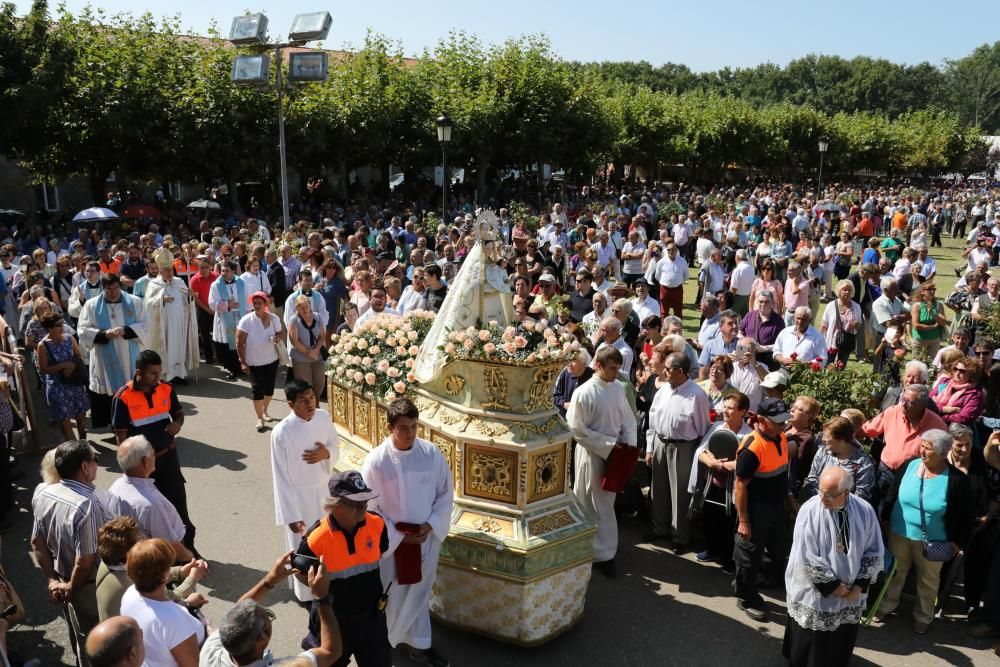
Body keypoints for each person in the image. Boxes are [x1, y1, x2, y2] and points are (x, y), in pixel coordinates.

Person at [362, 398, 453, 667]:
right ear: (390, 427)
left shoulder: (431, 454)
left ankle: (421, 644)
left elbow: (445, 494)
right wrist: (399, 536)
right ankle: (387, 642)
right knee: (393, 594)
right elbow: (370, 508)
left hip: (425, 538)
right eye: (403, 428)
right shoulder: (376, 462)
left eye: (414, 426)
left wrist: (432, 524)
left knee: (420, 592)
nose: (410, 433)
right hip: (393, 543)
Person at [295, 471, 400, 667]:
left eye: (365, 501)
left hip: (371, 619)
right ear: (335, 506)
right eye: (356, 503)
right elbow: (300, 572)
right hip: (334, 623)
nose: (364, 507)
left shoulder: (377, 524)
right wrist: (316, 587)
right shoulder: (317, 538)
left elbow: (382, 550)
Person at [782, 467, 884, 667]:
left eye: (829, 495)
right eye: (820, 492)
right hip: (816, 591)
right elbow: (806, 554)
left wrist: (858, 586)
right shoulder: (809, 510)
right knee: (810, 645)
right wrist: (832, 585)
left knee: (839, 641)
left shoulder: (864, 510)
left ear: (846, 493)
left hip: (850, 591)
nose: (822, 499)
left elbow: (874, 550)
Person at [878, 429, 973, 634]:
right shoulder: (909, 466)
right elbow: (892, 493)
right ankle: (886, 606)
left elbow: (966, 514)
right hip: (899, 533)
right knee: (894, 574)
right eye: (922, 446)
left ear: (941, 453)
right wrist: (885, 518)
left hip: (934, 541)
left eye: (928, 448)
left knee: (928, 581)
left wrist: (957, 542)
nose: (922, 451)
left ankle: (924, 616)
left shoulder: (956, 480)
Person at [112, 350, 197, 557]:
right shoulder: (123, 397)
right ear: (139, 372)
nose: (158, 378)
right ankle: (158, 557)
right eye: (153, 373)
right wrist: (131, 468)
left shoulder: (166, 389)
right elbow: (121, 436)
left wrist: (177, 423)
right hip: (143, 467)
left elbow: (177, 413)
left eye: (160, 372)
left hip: (168, 459)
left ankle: (187, 550)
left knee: (178, 507)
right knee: (149, 515)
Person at [199, 551, 342, 667]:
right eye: (268, 615)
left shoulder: (210, 652)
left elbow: (239, 610)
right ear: (262, 638)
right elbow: (330, 651)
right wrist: (322, 598)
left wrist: (269, 580)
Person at [567, 346, 637, 576]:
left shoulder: (617, 387)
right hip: (592, 455)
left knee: (605, 504)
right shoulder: (584, 392)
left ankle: (605, 553)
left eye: (618, 368)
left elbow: (627, 418)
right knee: (589, 502)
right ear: (598, 365)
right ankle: (587, 548)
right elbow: (576, 428)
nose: (616, 373)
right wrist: (607, 444)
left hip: (615, 455)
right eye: (612, 368)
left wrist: (628, 445)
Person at [30, 439, 108, 633]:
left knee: (78, 638)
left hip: (61, 580)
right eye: (95, 459)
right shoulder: (86, 505)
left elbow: (36, 542)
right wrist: (71, 591)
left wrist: (53, 581)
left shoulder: (44, 495)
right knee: (97, 643)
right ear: (84, 466)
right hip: (86, 587)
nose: (96, 464)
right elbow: (85, 561)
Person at [270, 379, 337, 602]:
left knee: (328, 542)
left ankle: (328, 583)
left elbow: (335, 445)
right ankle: (307, 595)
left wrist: (326, 454)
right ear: (291, 404)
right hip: (298, 498)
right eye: (303, 400)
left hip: (323, 492)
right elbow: (280, 476)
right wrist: (291, 514)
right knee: (304, 547)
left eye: (312, 397)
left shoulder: (323, 417)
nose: (310, 403)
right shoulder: (281, 433)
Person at [733, 398, 794, 621]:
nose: (782, 425)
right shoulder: (752, 447)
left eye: (784, 421)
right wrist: (743, 521)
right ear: (760, 420)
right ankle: (746, 597)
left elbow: (781, 471)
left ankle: (757, 581)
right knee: (748, 555)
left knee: (776, 548)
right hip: (756, 511)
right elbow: (740, 486)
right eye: (777, 422)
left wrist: (789, 499)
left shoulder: (781, 437)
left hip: (776, 507)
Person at [645, 352, 711, 551]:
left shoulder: (697, 395)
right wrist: (650, 447)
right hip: (659, 443)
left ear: (680, 371)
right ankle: (660, 528)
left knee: (680, 493)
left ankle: (680, 536)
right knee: (659, 489)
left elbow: (702, 428)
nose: (663, 371)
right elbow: (652, 418)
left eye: (667, 368)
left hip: (683, 447)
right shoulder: (663, 389)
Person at [95, 516, 206, 623]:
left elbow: (149, 575)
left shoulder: (108, 563)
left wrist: (180, 571)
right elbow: (166, 602)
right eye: (140, 541)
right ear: (129, 553)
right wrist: (192, 581)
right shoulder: (130, 583)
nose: (144, 541)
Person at [78, 273, 150, 429]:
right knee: (109, 392)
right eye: (108, 289)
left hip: (129, 355)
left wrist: (126, 330)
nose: (112, 292)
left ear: (120, 286)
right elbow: (82, 330)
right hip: (104, 358)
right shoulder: (91, 305)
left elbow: (146, 324)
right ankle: (116, 426)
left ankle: (137, 422)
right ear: (103, 288)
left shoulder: (135, 302)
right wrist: (104, 334)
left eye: (115, 288)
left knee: (133, 388)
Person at [689, 391, 751, 568]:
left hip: (733, 488)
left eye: (730, 408)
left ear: (743, 411)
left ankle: (727, 557)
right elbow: (701, 450)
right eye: (725, 407)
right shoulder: (716, 426)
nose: (725, 411)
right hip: (713, 483)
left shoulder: (748, 434)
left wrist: (725, 466)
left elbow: (745, 461)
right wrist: (712, 462)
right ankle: (710, 549)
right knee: (709, 516)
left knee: (729, 521)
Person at [119, 538, 205, 666]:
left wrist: (181, 572)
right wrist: (210, 630)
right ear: (164, 576)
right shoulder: (173, 620)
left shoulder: (129, 595)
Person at [106, 435, 192, 561]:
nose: (155, 457)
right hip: (157, 562)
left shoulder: (116, 486)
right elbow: (168, 546)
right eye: (153, 454)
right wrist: (190, 558)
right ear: (146, 461)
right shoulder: (150, 505)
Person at [143, 248, 200, 385]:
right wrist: (161, 300)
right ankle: (166, 376)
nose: (170, 272)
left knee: (178, 347)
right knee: (167, 348)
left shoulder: (179, 282)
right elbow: (148, 304)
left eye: (171, 269)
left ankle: (179, 374)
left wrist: (191, 297)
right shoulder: (154, 284)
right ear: (160, 271)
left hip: (179, 322)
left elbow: (186, 301)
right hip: (164, 325)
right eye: (167, 270)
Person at [36, 311, 89, 441]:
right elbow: (43, 368)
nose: (62, 327)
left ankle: (83, 438)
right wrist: (63, 365)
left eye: (62, 323)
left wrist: (71, 367)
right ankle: (73, 449)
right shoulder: (43, 346)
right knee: (64, 420)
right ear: (49, 328)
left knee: (80, 417)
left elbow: (78, 356)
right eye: (58, 325)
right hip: (57, 387)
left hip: (74, 383)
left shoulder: (69, 338)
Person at [236, 292, 284, 432]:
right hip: (254, 362)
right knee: (257, 391)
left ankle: (265, 411)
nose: (256, 306)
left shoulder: (274, 318)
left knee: (269, 390)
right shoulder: (246, 320)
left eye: (259, 303)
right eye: (254, 303)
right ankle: (259, 418)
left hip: (271, 360)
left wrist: (277, 338)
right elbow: (239, 342)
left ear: (265, 304)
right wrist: (243, 361)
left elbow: (280, 333)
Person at [802, 417, 876, 503]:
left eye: (827, 436)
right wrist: (822, 499)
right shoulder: (823, 453)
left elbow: (862, 494)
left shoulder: (863, 463)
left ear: (841, 439)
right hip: (819, 504)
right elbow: (812, 479)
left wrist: (837, 504)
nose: (823, 439)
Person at [209, 260, 249, 380]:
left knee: (241, 342)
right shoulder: (216, 285)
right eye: (222, 270)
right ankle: (232, 369)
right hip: (225, 317)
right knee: (228, 344)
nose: (224, 273)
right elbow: (211, 303)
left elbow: (247, 299)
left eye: (227, 271)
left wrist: (247, 314)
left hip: (240, 317)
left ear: (233, 271)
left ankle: (243, 366)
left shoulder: (242, 282)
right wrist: (227, 304)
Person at [820, 280, 863, 365]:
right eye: (844, 289)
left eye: (849, 290)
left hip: (847, 341)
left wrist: (856, 324)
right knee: (828, 365)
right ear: (839, 291)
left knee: (841, 366)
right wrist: (820, 341)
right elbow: (824, 325)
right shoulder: (831, 306)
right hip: (832, 341)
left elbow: (859, 326)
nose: (847, 292)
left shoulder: (856, 307)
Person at [188, 258, 219, 365]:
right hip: (202, 310)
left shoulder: (216, 276)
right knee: (205, 335)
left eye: (206, 267)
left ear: (210, 266)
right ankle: (209, 357)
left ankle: (220, 356)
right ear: (198, 268)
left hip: (217, 309)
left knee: (218, 333)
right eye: (202, 267)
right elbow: (196, 299)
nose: (205, 270)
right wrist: (208, 310)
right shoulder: (194, 280)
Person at [911, 282, 948, 361]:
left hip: (934, 340)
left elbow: (943, 322)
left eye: (933, 289)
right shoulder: (917, 306)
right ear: (922, 291)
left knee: (931, 365)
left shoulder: (939, 305)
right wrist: (933, 326)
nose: (932, 291)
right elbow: (916, 325)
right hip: (919, 340)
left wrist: (933, 314)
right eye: (929, 290)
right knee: (917, 364)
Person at [552, 348, 593, 419]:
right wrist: (564, 403)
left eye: (573, 361)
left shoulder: (592, 377)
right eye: (568, 360)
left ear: (583, 362)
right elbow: (556, 395)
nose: (569, 364)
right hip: (565, 419)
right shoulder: (565, 373)